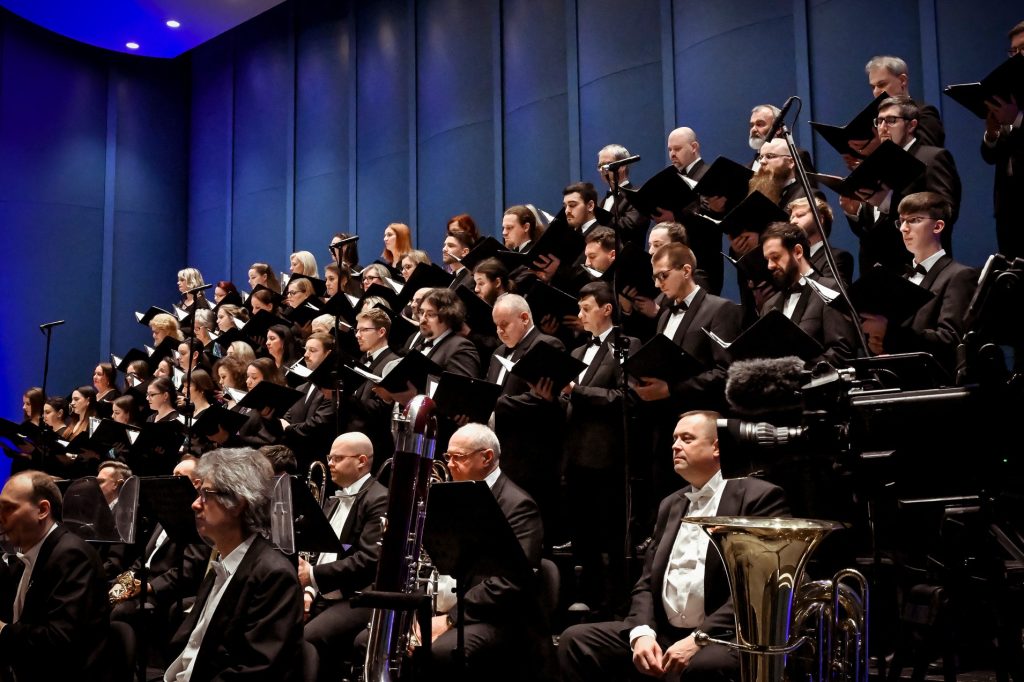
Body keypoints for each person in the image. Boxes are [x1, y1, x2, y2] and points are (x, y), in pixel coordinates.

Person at [559, 410, 790, 682]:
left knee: (704, 666)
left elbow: (762, 585)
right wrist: (642, 632)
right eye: (674, 439)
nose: (675, 445)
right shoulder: (671, 503)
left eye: (686, 438)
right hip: (666, 634)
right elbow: (646, 583)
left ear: (717, 447)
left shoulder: (758, 497)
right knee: (577, 640)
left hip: (726, 636)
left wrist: (700, 638)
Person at [163, 448, 303, 681]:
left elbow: (256, 670)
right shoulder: (222, 562)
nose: (195, 505)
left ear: (237, 503)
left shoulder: (273, 575)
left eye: (206, 494)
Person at [427, 423, 544, 678]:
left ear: (487, 457)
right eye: (447, 457)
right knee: (372, 640)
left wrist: (450, 619)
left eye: (458, 457)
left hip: (496, 618)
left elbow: (510, 582)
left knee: (441, 652)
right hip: (446, 609)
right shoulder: (450, 494)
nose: (449, 464)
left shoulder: (519, 506)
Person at [560, 282, 639, 611]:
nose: (580, 316)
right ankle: (588, 597)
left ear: (607, 309)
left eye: (586, 308)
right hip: (576, 455)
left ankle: (616, 603)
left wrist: (577, 392)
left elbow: (626, 397)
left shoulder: (625, 344)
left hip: (608, 458)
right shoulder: (577, 352)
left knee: (610, 534)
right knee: (583, 536)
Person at [0, 470, 110, 682]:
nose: (1, 517)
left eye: (10, 508)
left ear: (42, 510)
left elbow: (58, 640)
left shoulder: (71, 555)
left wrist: (4, 631)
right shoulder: (30, 553)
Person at [859, 192, 978, 376]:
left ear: (938, 226)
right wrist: (880, 344)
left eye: (914, 220)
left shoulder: (959, 275)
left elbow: (951, 341)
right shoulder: (901, 280)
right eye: (901, 221)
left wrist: (889, 333)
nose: (904, 229)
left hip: (939, 391)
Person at [300, 432, 388, 676]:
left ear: (361, 461)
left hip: (360, 596)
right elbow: (321, 553)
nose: (330, 464)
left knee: (309, 638)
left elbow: (369, 559)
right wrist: (308, 590)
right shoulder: (334, 500)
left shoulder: (379, 498)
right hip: (327, 592)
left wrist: (313, 575)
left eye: (337, 458)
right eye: (329, 457)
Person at [842, 96, 961, 272]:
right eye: (879, 121)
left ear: (911, 125)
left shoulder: (932, 158)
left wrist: (888, 203)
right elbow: (871, 230)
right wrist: (855, 213)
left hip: (914, 268)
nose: (883, 127)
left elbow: (946, 211)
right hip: (874, 272)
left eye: (891, 121)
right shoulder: (874, 163)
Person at [485, 293, 565, 536]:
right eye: (496, 326)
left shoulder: (548, 345)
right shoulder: (499, 351)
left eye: (504, 324)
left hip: (530, 457)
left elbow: (540, 399)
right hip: (501, 452)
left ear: (524, 318)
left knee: (529, 532)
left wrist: (494, 406)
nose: (500, 331)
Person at [760, 222, 858, 366]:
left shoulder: (829, 289)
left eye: (775, 257)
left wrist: (797, 371)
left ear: (798, 252)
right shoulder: (769, 305)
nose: (770, 265)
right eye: (767, 260)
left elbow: (842, 352)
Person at [980, 20, 1024, 260]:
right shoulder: (1012, 91)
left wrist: (1016, 118)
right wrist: (993, 133)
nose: (1017, 57)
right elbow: (990, 156)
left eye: (1023, 49)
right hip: (1008, 210)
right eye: (1013, 51)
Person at [342, 309, 401, 472]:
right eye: (357, 330)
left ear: (381, 332)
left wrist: (344, 395)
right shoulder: (362, 360)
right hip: (353, 442)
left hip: (375, 448)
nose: (357, 335)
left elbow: (381, 409)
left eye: (364, 330)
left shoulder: (393, 363)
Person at [864, 55, 945, 148]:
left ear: (902, 80)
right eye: (873, 87)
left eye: (882, 84)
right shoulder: (876, 120)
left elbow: (927, 156)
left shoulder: (923, 112)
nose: (876, 92)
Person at [787, 196, 854, 286]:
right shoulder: (788, 261)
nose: (793, 221)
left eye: (800, 215)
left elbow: (832, 292)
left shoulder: (837, 257)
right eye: (791, 218)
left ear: (820, 219)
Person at [597, 143, 648, 246]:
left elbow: (629, 226)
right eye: (600, 165)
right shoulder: (602, 201)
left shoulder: (637, 195)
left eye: (607, 164)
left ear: (622, 166)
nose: (602, 169)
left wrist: (594, 223)